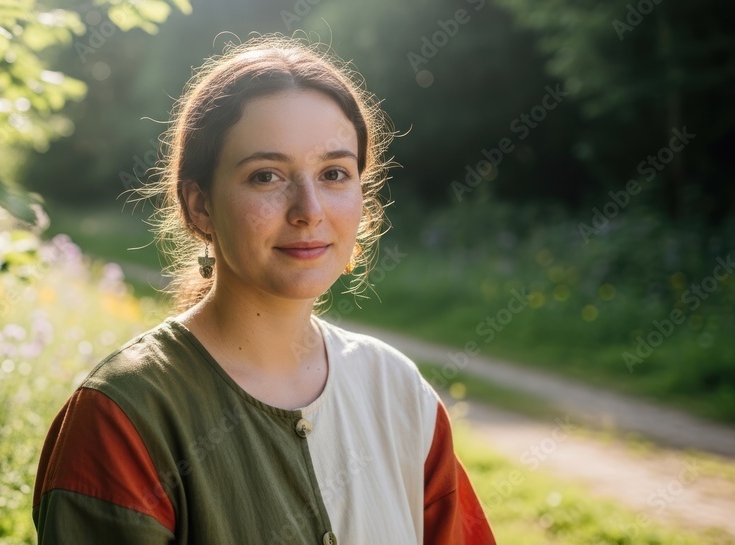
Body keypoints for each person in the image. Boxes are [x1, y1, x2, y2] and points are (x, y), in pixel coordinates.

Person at [33, 33, 497, 544]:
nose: (309, 210)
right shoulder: (123, 418)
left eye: (335, 173)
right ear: (199, 206)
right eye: (267, 176)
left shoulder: (400, 393)